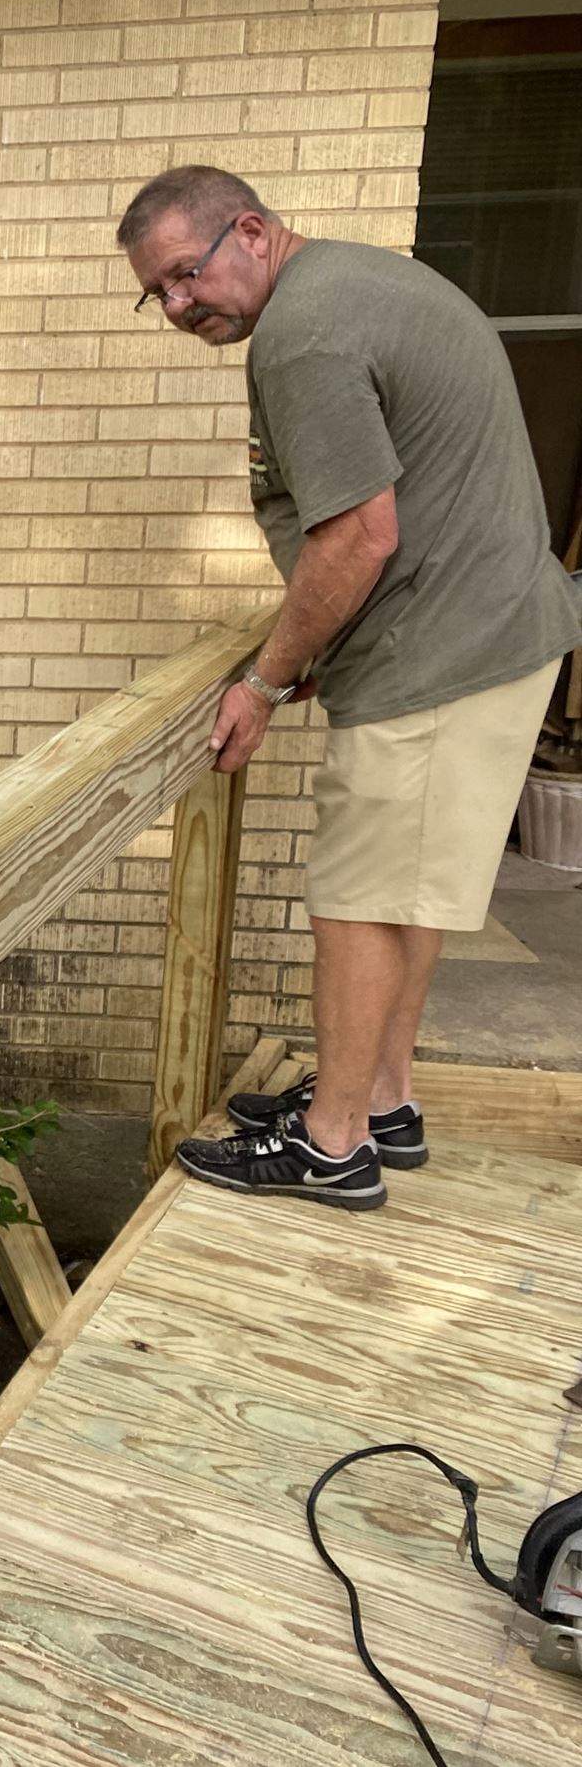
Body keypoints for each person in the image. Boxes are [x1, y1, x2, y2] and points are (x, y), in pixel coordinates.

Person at [117, 166, 582, 1210]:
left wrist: (263, 682)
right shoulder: (353, 286)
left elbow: (355, 536)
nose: (179, 304)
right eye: (159, 294)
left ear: (249, 231)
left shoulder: (305, 334)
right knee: (401, 889)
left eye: (186, 275)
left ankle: (331, 1146)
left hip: (438, 653)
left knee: (356, 899)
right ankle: (377, 1100)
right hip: (481, 635)